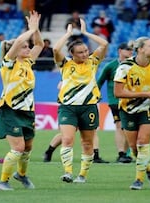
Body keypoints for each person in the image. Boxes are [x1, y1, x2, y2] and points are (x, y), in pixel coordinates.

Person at [53, 18, 108, 183]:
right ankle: (68, 172)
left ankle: (82, 175)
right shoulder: (65, 64)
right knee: (68, 139)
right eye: (81, 52)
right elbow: (56, 48)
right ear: (72, 54)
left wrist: (85, 33)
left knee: (87, 143)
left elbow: (104, 44)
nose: (85, 54)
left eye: (86, 51)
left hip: (89, 107)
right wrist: (68, 34)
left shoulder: (93, 62)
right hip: (68, 107)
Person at [0, 10, 44, 191]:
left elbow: (40, 43)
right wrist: (30, 30)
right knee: (18, 147)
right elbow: (17, 42)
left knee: (28, 147)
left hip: (27, 110)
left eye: (27, 47)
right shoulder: (8, 64)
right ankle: (3, 181)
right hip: (11, 109)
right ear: (15, 51)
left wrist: (36, 29)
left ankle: (21, 175)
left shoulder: (27, 62)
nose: (28, 49)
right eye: (25, 47)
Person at [113, 37, 150, 190]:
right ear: (140, 49)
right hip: (128, 110)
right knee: (134, 148)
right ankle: (148, 169)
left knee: (142, 143)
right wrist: (146, 94)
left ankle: (138, 180)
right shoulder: (125, 67)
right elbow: (118, 92)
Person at [97, 42, 133, 163]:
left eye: (131, 50)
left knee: (129, 127)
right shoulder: (111, 66)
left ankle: (126, 154)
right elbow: (99, 82)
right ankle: (121, 153)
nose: (130, 52)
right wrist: (97, 95)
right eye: (127, 49)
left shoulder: (134, 66)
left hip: (131, 100)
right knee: (119, 126)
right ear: (120, 50)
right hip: (115, 100)